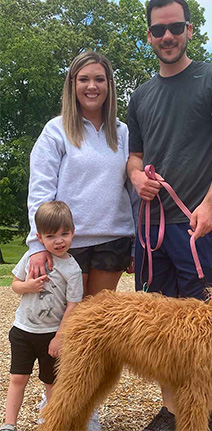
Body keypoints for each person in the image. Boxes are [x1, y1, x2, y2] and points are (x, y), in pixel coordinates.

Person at [127, 0, 212, 431]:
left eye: (175, 27)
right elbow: (134, 158)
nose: (167, 36)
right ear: (149, 36)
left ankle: (207, 408)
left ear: (189, 30)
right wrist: (137, 177)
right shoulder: (140, 96)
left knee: (208, 326)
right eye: (158, 30)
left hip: (201, 225)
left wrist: (210, 205)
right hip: (153, 229)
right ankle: (172, 410)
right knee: (162, 325)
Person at [26, 50, 138, 431]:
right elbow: (40, 189)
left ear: (110, 86)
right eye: (84, 79)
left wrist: (138, 242)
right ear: (72, 85)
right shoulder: (56, 130)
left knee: (93, 332)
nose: (92, 86)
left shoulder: (122, 134)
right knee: (61, 327)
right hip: (64, 243)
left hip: (112, 240)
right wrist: (37, 244)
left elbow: (134, 189)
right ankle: (56, 400)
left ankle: (85, 407)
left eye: (100, 79)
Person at [0, 201, 83, 431]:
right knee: (17, 379)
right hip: (23, 331)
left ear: (73, 232)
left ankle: (51, 425)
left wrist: (60, 336)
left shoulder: (72, 269)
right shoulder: (30, 257)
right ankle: (9, 423)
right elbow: (15, 285)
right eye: (51, 235)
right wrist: (28, 286)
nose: (59, 241)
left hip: (50, 336)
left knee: (52, 383)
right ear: (39, 237)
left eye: (65, 234)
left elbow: (73, 305)